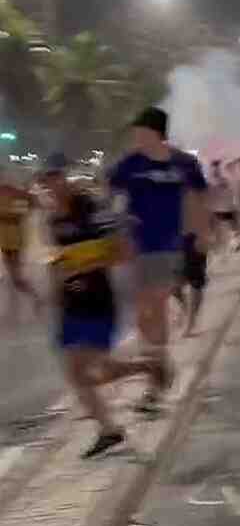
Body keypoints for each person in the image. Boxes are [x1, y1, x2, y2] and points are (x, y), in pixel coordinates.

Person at [44, 153, 159, 458]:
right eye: (45, 181)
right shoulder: (53, 219)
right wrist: (56, 293)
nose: (51, 186)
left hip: (98, 299)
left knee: (97, 372)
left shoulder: (92, 209)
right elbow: (59, 259)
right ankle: (109, 429)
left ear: (65, 177)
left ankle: (146, 367)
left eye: (55, 177)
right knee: (78, 373)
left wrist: (86, 265)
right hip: (71, 303)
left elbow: (123, 251)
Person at [108, 107, 207, 413]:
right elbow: (112, 198)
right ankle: (161, 365)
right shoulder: (128, 164)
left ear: (156, 132)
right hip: (135, 248)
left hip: (169, 246)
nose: (136, 137)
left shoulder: (184, 163)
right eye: (134, 133)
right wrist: (119, 229)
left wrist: (203, 233)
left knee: (156, 306)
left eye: (140, 131)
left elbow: (199, 198)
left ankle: (156, 379)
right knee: (142, 315)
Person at [0, 166, 40, 320]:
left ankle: (36, 299)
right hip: (5, 240)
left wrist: (21, 214)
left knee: (16, 277)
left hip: (16, 239)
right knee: (12, 277)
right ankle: (13, 309)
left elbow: (33, 201)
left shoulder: (12, 191)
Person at [208, 160, 240, 253]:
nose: (216, 170)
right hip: (226, 208)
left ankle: (233, 244)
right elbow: (231, 193)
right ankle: (236, 244)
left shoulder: (212, 182)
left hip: (221, 209)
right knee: (233, 227)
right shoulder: (224, 181)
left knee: (230, 228)